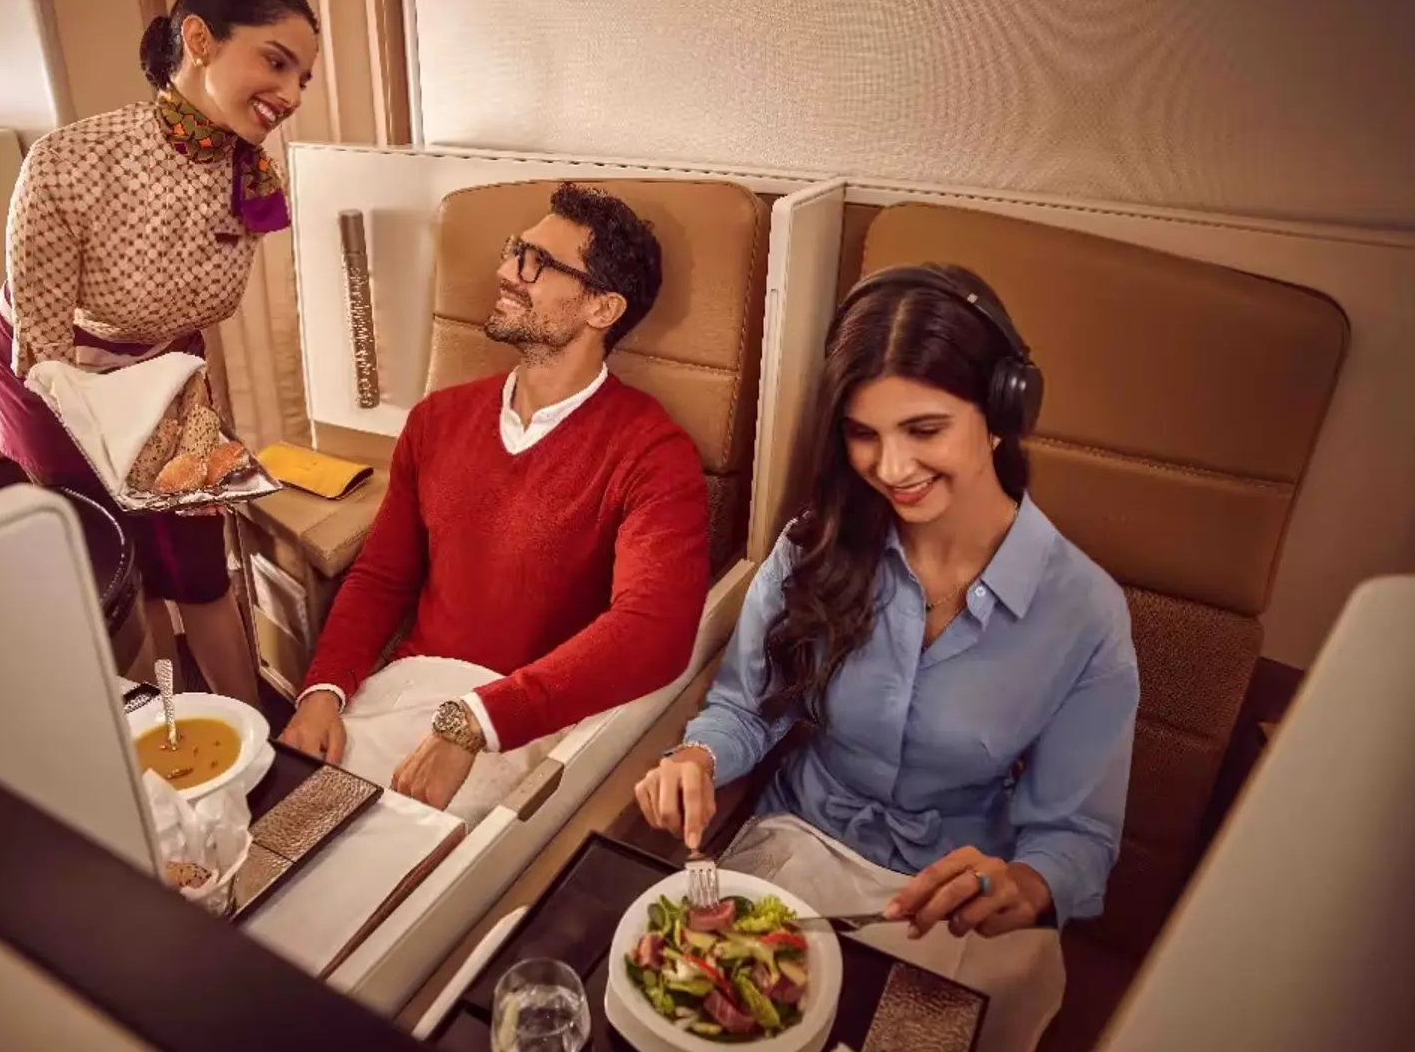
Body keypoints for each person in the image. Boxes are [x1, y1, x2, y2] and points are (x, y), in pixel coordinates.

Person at [634, 265, 1139, 1052]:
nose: (891, 468)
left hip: (953, 899)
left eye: (924, 430)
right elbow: (746, 707)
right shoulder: (818, 546)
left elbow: (1076, 834)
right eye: (864, 434)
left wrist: (1030, 881)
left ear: (1004, 412)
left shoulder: (1086, 613)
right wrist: (697, 755)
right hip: (795, 853)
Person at [279, 183, 709, 821]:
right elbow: (382, 577)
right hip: (402, 692)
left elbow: (654, 632)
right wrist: (323, 691)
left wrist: (476, 721)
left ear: (602, 308)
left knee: (388, 889)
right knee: (266, 838)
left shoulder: (653, 453)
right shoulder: (437, 420)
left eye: (536, 263)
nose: (506, 271)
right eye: (515, 251)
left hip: (525, 723)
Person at [0, 0, 321, 710]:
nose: (293, 93)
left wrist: (166, 422)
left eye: (303, 76)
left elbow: (197, 310)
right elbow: (44, 351)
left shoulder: (251, 172)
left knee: (197, 562)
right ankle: (163, 723)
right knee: (117, 560)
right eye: (275, 62)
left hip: (163, 364)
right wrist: (125, 456)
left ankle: (252, 732)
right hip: (57, 372)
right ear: (199, 41)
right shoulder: (69, 160)